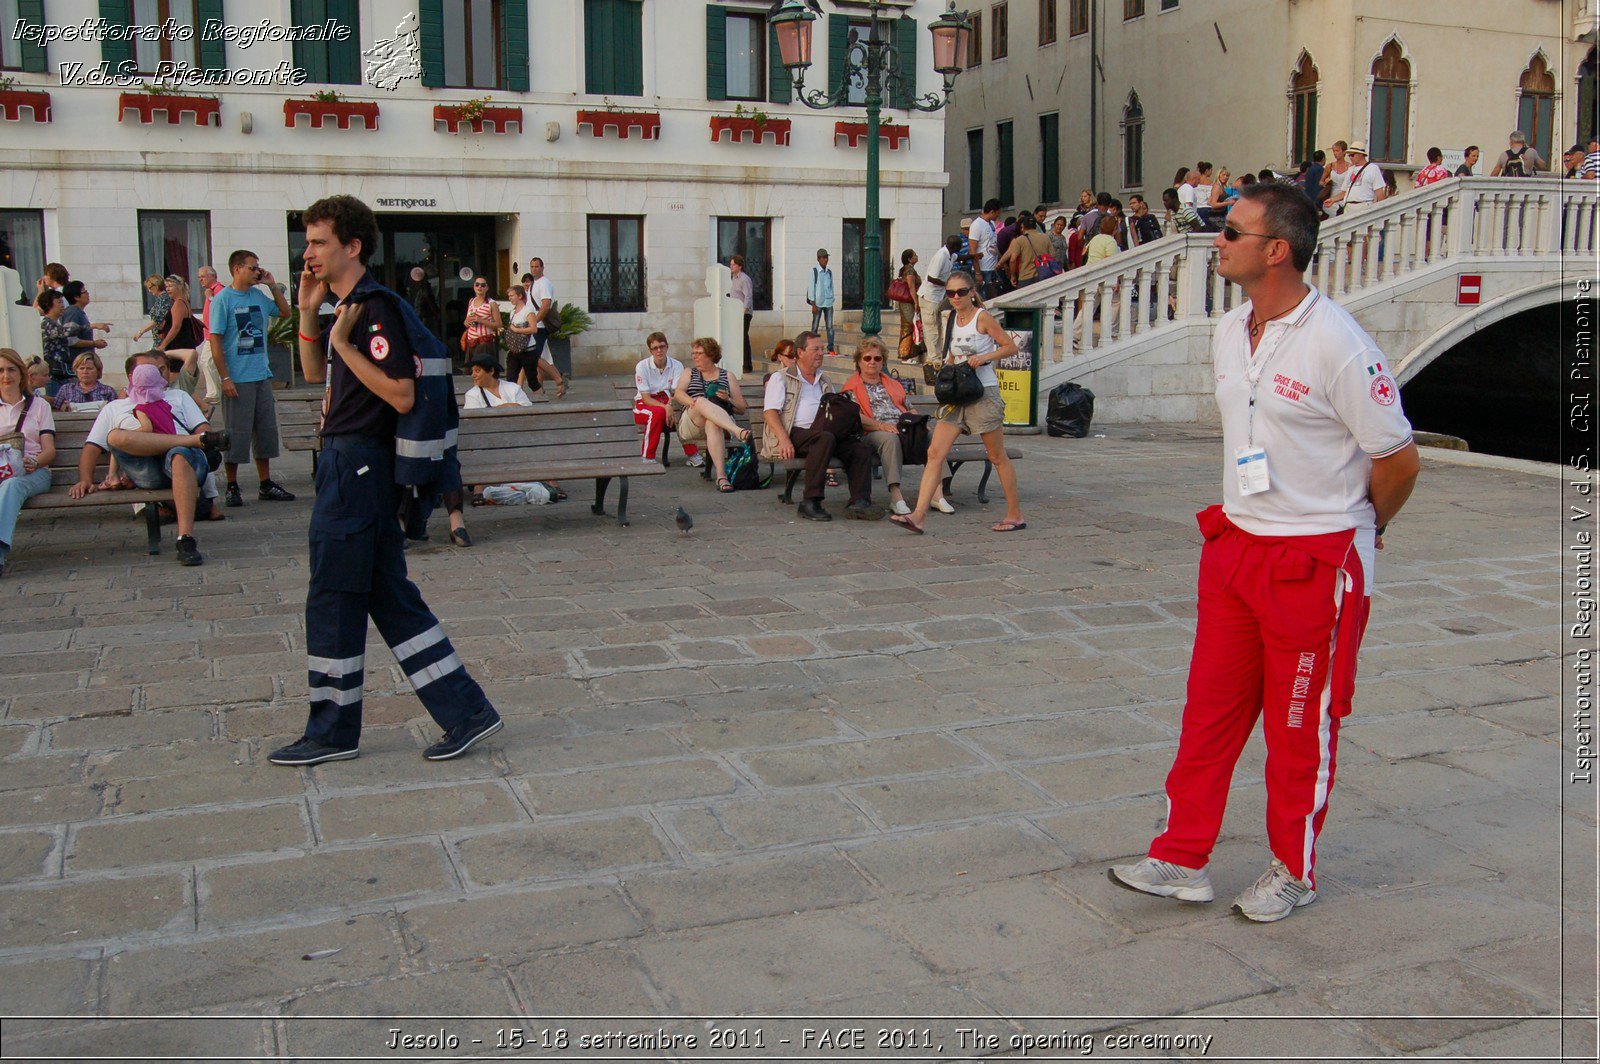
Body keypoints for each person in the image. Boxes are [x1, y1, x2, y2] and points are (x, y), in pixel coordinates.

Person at [1108, 183, 1420, 923]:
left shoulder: (1338, 343)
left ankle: (1295, 869)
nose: (1218, 240)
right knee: (1209, 711)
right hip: (1236, 546)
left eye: (1232, 231)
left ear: (1276, 249)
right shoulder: (1231, 327)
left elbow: (1398, 459)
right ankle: (1182, 857)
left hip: (1312, 560)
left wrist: (1359, 531)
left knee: (1297, 724)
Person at [270, 193, 502, 767]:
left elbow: (399, 391)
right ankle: (465, 712)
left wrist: (345, 343)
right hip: (349, 464)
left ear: (352, 246)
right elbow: (312, 374)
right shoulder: (345, 305)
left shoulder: (372, 310)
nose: (309, 254)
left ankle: (332, 732)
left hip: (358, 467)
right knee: (386, 595)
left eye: (320, 242)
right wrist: (308, 314)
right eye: (307, 243)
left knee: (332, 594)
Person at [889, 272, 1023, 535]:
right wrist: (945, 371)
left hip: (983, 392)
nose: (956, 297)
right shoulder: (952, 319)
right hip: (958, 396)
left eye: (961, 292)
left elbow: (1010, 347)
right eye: (950, 293)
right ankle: (918, 515)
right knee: (935, 453)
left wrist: (985, 357)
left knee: (997, 455)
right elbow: (952, 353)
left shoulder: (981, 317)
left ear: (972, 292)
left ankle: (1014, 514)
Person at [69, 351, 219, 566]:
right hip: (146, 469)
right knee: (115, 436)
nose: (157, 375)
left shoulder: (178, 397)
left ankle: (185, 539)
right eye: (148, 371)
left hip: (185, 463)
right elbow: (92, 448)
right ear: (132, 376)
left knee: (178, 455)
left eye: (159, 370)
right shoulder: (115, 407)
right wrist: (85, 478)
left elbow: (204, 428)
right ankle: (186, 442)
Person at [207, 249, 295, 507]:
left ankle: (265, 483)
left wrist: (271, 286)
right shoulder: (223, 299)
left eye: (258, 267)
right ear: (237, 268)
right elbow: (215, 340)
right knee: (236, 432)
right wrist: (225, 377)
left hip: (261, 374)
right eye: (252, 267)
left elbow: (285, 313)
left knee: (265, 430)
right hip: (237, 376)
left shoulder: (257, 295)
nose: (257, 271)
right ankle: (232, 485)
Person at [761, 331, 880, 521]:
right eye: (815, 349)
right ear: (800, 352)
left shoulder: (824, 380)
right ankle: (810, 501)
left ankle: (860, 501)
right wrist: (783, 440)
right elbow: (770, 412)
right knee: (824, 438)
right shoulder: (781, 378)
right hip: (795, 433)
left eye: (822, 349)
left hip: (825, 434)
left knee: (859, 448)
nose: (820, 353)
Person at [841, 338, 953, 517]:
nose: (872, 362)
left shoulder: (892, 383)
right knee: (890, 439)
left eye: (877, 359)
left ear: (883, 361)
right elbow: (854, 417)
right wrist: (882, 425)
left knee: (932, 436)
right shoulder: (851, 387)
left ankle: (936, 493)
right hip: (872, 431)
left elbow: (909, 408)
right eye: (867, 358)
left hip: (902, 427)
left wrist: (919, 424)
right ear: (859, 361)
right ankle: (896, 495)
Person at [0, 347, 56, 577]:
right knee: (7, 484)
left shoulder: (39, 406)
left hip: (34, 471)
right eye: (0, 370)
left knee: (12, 485)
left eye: (11, 369)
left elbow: (49, 451)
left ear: (21, 374)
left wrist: (35, 461)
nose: (6, 376)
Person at [673, 337, 750, 493]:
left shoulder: (727, 376)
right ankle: (738, 431)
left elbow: (741, 407)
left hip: (719, 425)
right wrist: (693, 402)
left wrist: (727, 398)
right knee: (701, 401)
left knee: (713, 423)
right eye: (693, 353)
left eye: (699, 353)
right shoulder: (689, 373)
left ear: (711, 355)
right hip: (692, 422)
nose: (694, 356)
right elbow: (678, 394)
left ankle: (721, 477)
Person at [632, 332, 700, 466]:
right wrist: (666, 407)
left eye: (662, 346)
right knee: (657, 413)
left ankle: (693, 455)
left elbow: (676, 392)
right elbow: (645, 398)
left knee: (682, 413)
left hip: (669, 400)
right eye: (655, 348)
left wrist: (670, 406)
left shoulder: (676, 365)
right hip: (644, 405)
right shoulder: (642, 366)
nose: (659, 350)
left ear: (667, 347)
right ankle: (647, 456)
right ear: (650, 350)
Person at [37, 289, 96, 396]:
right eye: (59, 302)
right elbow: (65, 332)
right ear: (48, 304)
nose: (62, 306)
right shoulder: (46, 323)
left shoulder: (56, 323)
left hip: (64, 373)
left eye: (62, 302)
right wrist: (91, 326)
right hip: (53, 375)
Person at [918, 236, 960, 366]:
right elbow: (931, 277)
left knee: (940, 327)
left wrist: (974, 256)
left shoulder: (951, 255)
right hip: (929, 296)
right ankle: (933, 358)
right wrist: (947, 285)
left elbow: (960, 258)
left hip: (938, 297)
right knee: (931, 329)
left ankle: (939, 356)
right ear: (956, 247)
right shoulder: (941, 256)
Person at [196, 265, 227, 408]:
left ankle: (213, 394)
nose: (200, 280)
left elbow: (221, 308)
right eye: (199, 277)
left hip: (215, 334)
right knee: (208, 362)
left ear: (212, 276)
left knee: (206, 361)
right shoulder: (212, 291)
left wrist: (210, 297)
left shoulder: (218, 290)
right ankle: (215, 391)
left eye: (203, 276)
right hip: (210, 334)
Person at [1326, 142, 1386, 215]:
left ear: (1360, 155)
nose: (1350, 158)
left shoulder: (1373, 169)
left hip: (1364, 206)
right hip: (1348, 207)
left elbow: (1379, 193)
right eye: (1349, 156)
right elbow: (1345, 192)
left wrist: (1382, 211)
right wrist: (1332, 200)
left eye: (1352, 155)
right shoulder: (1350, 169)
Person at [61, 281, 111, 366]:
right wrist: (94, 343)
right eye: (84, 292)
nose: (88, 294)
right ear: (76, 297)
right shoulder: (73, 312)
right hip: (77, 364)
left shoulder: (79, 312)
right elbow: (70, 339)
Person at [999, 213, 1053, 288]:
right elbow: (1052, 256)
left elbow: (1012, 260)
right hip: (1043, 274)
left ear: (1023, 227)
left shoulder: (1019, 240)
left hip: (1026, 276)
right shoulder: (1046, 238)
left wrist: (1013, 276)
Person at [154, 276, 204, 354]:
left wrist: (162, 345)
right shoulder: (184, 301)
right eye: (166, 286)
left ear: (180, 286)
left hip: (178, 344)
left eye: (170, 286)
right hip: (183, 343)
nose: (167, 289)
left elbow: (176, 327)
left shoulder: (178, 303)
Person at [51, 352, 117, 410]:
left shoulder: (109, 391)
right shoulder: (66, 389)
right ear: (76, 371)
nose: (85, 372)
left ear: (98, 371)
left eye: (89, 368)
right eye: (81, 368)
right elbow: (56, 411)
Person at [461, 276, 500, 365]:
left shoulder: (491, 303)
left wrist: (481, 320)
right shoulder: (471, 301)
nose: (479, 287)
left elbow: (498, 324)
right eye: (477, 285)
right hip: (471, 342)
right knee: (474, 371)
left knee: (484, 369)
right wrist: (466, 322)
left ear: (487, 288)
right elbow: (466, 322)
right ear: (474, 287)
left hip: (484, 342)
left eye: (483, 285)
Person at [806, 249, 837, 354]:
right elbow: (811, 289)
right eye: (823, 258)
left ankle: (831, 348)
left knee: (830, 326)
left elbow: (831, 286)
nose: (825, 260)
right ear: (818, 259)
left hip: (828, 302)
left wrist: (832, 298)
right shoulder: (814, 271)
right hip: (818, 303)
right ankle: (811, 347)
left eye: (826, 257)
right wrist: (813, 304)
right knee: (815, 327)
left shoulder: (829, 272)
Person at [969, 198, 1002, 296]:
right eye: (998, 213)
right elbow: (972, 250)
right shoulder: (977, 225)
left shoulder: (991, 224)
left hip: (992, 267)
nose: (998, 215)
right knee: (982, 296)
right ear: (992, 212)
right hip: (983, 268)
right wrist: (978, 272)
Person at [894, 249, 922, 360]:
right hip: (908, 302)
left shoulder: (906, 269)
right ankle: (905, 354)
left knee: (909, 325)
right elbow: (911, 287)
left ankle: (909, 353)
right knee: (909, 326)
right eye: (914, 255)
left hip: (906, 302)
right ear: (910, 259)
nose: (917, 256)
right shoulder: (909, 270)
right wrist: (916, 302)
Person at [730, 255, 755, 373]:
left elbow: (748, 296)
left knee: (743, 337)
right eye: (731, 264)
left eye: (733, 264)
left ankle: (747, 365)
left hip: (744, 313)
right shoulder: (733, 278)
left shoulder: (744, 279)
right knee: (736, 338)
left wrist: (744, 311)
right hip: (735, 313)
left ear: (739, 266)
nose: (731, 266)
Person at [132, 275, 171, 344]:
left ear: (156, 286)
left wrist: (140, 332)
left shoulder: (164, 298)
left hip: (164, 338)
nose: (149, 291)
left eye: (150, 288)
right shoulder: (160, 299)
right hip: (159, 338)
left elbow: (157, 319)